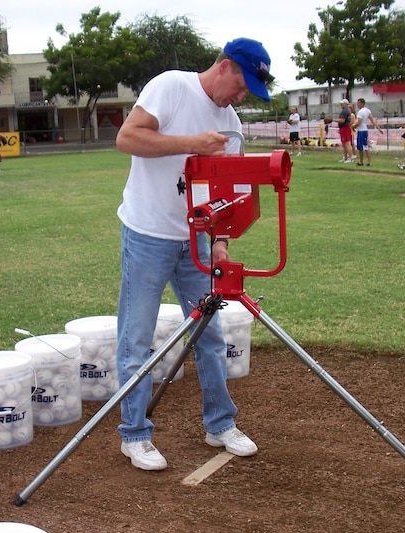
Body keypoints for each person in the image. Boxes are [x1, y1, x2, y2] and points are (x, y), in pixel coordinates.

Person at [114, 37, 270, 471]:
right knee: (137, 339)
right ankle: (134, 435)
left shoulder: (232, 123)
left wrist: (220, 241)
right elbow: (127, 138)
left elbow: (229, 194)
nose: (241, 97)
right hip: (147, 232)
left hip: (196, 239)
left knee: (209, 334)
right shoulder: (170, 86)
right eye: (241, 86)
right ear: (224, 66)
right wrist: (191, 144)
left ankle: (219, 424)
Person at [351, 97, 383, 167]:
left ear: (362, 103)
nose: (357, 105)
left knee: (365, 147)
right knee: (361, 147)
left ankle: (368, 162)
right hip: (364, 130)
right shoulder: (368, 111)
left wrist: (352, 126)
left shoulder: (360, 112)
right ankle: (361, 161)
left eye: (358, 103)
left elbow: (358, 122)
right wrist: (379, 128)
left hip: (361, 131)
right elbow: (372, 120)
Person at [336, 99, 355, 163]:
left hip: (345, 128)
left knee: (347, 143)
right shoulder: (347, 111)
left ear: (345, 104)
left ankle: (350, 158)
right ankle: (346, 157)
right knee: (344, 144)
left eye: (342, 103)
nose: (341, 105)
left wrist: (333, 120)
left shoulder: (345, 111)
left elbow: (342, 120)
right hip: (344, 128)